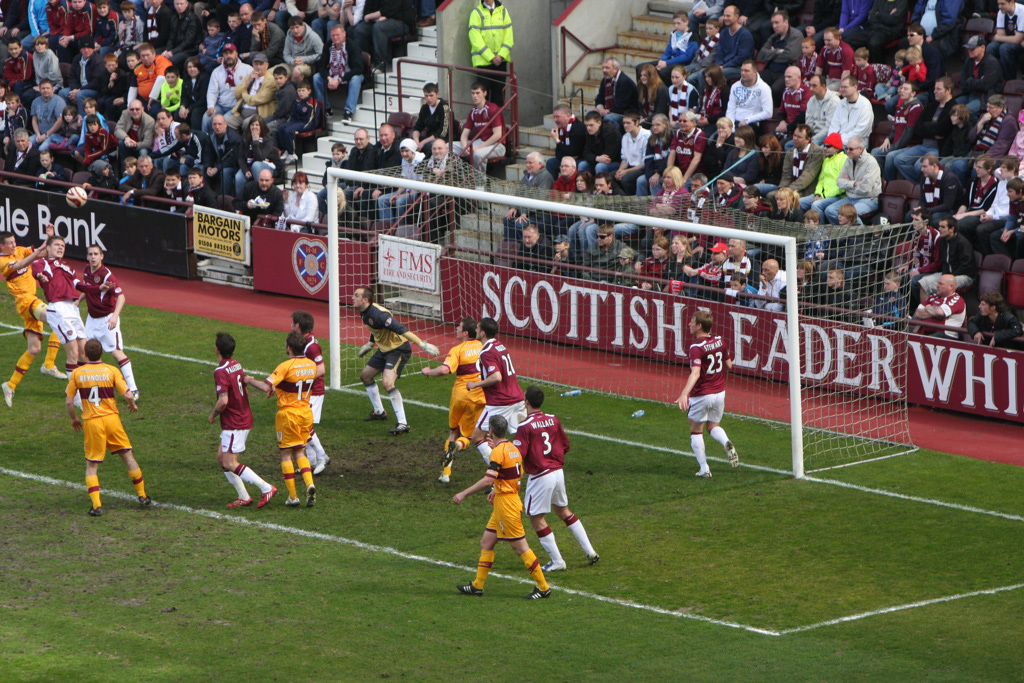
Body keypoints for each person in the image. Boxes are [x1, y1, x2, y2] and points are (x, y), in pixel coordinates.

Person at [453, 415, 550, 600]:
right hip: (505, 499)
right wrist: (497, 491)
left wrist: (463, 493)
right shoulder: (513, 448)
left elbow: (489, 479)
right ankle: (477, 586)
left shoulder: (498, 452)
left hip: (507, 506)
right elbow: (516, 474)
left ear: (490, 431)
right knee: (487, 542)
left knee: (520, 547)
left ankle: (543, 587)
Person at [513, 385, 599, 572]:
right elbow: (565, 445)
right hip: (558, 472)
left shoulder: (524, 426)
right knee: (564, 511)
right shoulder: (553, 419)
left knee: (536, 519)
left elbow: (518, 455)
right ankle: (590, 551)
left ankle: (558, 561)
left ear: (526, 402)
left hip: (541, 475)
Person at [66, 339, 149, 517]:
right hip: (112, 420)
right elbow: (127, 394)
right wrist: (132, 405)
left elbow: (68, 401)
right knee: (128, 456)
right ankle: (142, 495)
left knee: (92, 465)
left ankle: (96, 506)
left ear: (85, 355)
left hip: (92, 422)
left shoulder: (77, 373)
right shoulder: (111, 370)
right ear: (101, 353)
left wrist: (74, 419)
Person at [243, 332, 318, 507]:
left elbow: (265, 386)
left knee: (286, 454)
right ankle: (309, 484)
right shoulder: (312, 365)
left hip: (288, 415)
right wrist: (278, 389)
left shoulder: (286, 366)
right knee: (300, 451)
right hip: (306, 413)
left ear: (289, 348)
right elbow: (295, 384)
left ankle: (293, 496)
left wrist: (249, 380)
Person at [353, 285, 440, 434]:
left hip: (398, 349)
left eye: (356, 295)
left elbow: (402, 330)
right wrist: (370, 343)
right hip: (384, 349)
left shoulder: (380, 314)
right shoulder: (364, 312)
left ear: (365, 300)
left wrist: (422, 344)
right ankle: (379, 412)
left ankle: (403, 423)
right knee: (365, 376)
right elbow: (376, 328)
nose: (352, 298)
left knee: (387, 382)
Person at [210, 331, 277, 508]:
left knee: (230, 462)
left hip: (235, 422)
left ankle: (266, 487)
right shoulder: (236, 364)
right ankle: (243, 496)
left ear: (217, 349)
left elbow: (223, 400)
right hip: (242, 416)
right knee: (221, 458)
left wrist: (213, 414)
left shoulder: (220, 371)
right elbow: (244, 389)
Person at [0, 232, 64, 408]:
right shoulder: (3, 262)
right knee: (60, 318)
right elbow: (23, 263)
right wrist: (37, 254)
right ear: (1, 246)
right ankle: (49, 364)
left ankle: (10, 385)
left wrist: (49, 239)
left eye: (14, 242)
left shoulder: (20, 250)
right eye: (10, 243)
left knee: (34, 349)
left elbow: (43, 252)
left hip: (31, 302)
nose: (14, 245)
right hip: (26, 301)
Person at [420, 317, 486, 483]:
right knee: (470, 436)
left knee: (453, 432)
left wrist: (428, 371)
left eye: (459, 327)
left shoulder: (458, 349)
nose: (455, 328)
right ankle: (459, 446)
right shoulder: (485, 346)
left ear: (465, 333)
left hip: (460, 396)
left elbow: (444, 369)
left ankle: (446, 472)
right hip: (478, 397)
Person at [676, 310, 738, 478]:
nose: (689, 324)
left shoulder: (696, 347)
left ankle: (704, 469)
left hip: (702, 394)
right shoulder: (720, 340)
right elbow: (730, 365)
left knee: (696, 430)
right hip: (720, 393)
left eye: (692, 321)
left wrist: (684, 394)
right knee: (713, 427)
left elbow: (695, 374)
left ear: (699, 326)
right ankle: (726, 442)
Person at [76, 245, 140, 400]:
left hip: (106, 320)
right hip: (91, 319)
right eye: (90, 254)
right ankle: (82, 388)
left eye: (96, 254)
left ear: (101, 256)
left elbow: (121, 297)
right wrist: (78, 300)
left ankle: (133, 388)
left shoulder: (107, 275)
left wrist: (114, 317)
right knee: (84, 352)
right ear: (87, 256)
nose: (93, 257)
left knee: (116, 352)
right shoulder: (86, 270)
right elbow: (89, 289)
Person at [463, 316, 525, 467]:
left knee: (477, 436)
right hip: (518, 398)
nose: (475, 330)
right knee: (520, 437)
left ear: (482, 333)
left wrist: (475, 384)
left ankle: (499, 471)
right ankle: (519, 465)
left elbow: (496, 377)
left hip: (500, 402)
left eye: (477, 328)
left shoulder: (486, 352)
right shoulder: (500, 346)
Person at [291, 310, 330, 475]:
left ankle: (322, 456)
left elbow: (321, 369)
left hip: (314, 391)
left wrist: (302, 376)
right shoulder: (305, 341)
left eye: (292, 323)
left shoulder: (311, 346)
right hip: (308, 390)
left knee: (304, 426)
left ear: (298, 326)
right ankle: (311, 462)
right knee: (304, 426)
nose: (290, 326)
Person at [466, 0, 512, 107]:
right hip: (483, 63)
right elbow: (475, 39)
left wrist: (501, 55)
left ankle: (497, 123)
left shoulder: (503, 11)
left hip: (501, 62)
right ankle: (484, 123)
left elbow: (509, 36)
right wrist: (491, 57)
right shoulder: (476, 13)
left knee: (499, 97)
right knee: (482, 98)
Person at [315, 24, 364, 121]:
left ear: (344, 34)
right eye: (333, 35)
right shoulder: (328, 45)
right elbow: (321, 65)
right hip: (333, 75)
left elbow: (358, 69)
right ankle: (326, 108)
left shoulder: (352, 46)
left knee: (356, 79)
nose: (335, 38)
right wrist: (329, 78)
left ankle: (348, 111)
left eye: (338, 35)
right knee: (316, 77)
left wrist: (340, 79)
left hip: (349, 75)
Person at [453, 80, 505, 167]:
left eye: (478, 93)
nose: (475, 96)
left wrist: (477, 148)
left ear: (485, 93)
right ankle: (451, 174)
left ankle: (479, 180)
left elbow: (498, 135)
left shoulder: (492, 109)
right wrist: (465, 147)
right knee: (447, 146)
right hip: (480, 142)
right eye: (473, 93)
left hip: (497, 145)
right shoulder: (473, 112)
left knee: (477, 154)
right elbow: (464, 134)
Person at [913, 273, 966, 338]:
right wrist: (935, 312)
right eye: (938, 283)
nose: (937, 286)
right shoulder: (933, 297)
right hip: (925, 332)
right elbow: (918, 313)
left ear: (951, 287)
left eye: (941, 284)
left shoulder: (957, 299)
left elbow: (940, 313)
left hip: (945, 336)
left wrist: (928, 307)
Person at [593, 57, 639, 131]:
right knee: (591, 114)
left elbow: (621, 106)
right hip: (612, 109)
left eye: (607, 68)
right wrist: (600, 109)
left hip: (626, 112)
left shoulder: (624, 81)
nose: (604, 70)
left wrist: (606, 112)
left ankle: (616, 139)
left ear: (616, 69)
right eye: (603, 67)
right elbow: (599, 99)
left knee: (608, 118)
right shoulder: (605, 80)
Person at [988, 0, 1024, 82]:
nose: (999, 7)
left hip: (1021, 44)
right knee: (991, 47)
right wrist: (999, 37)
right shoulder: (1001, 12)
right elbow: (1001, 35)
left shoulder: (1022, 11)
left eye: (1002, 4)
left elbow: (1017, 40)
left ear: (1012, 2)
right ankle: (992, 77)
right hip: (1013, 42)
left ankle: (1009, 81)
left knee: (1004, 48)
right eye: (998, 4)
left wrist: (998, 37)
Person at [411, 82, 450, 152]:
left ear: (437, 94)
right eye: (426, 96)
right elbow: (417, 127)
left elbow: (442, 133)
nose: (428, 98)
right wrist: (416, 143)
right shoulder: (424, 108)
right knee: (409, 144)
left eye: (431, 95)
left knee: (429, 147)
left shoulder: (444, 108)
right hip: (429, 137)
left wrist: (423, 142)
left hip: (442, 139)